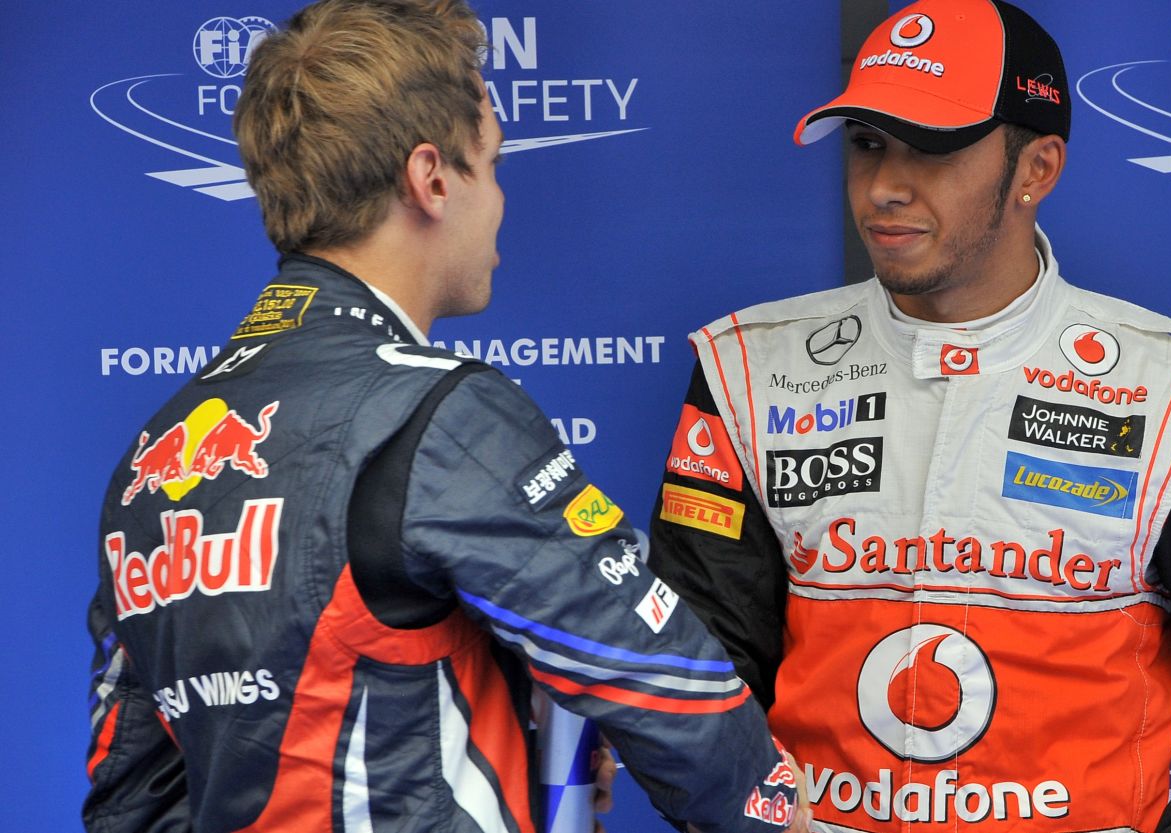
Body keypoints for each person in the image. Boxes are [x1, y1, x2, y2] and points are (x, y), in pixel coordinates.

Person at [83, 2, 807, 832]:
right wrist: (776, 812)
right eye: (491, 165)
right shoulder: (438, 415)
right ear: (430, 178)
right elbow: (665, 684)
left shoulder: (154, 457)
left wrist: (511, 746)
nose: (498, 200)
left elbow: (129, 794)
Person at [647, 0, 1171, 831]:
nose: (883, 186)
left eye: (933, 150)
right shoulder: (750, 371)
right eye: (868, 144)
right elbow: (692, 678)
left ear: (1038, 169)